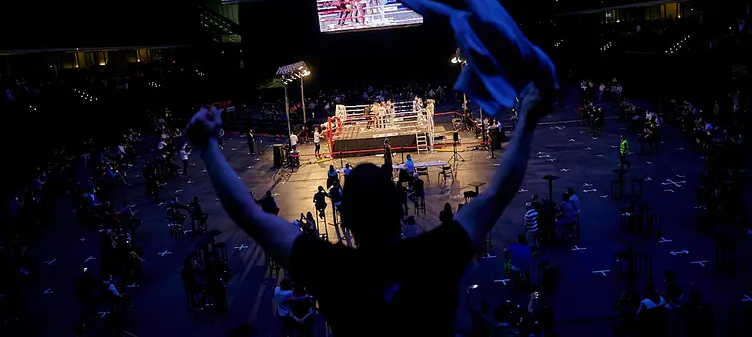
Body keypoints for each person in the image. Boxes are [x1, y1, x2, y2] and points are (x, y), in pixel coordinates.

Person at [184, 83, 547, 336]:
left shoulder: (332, 271)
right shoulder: (437, 255)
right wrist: (527, 117)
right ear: (398, 207)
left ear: (346, 220)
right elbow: (500, 193)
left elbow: (249, 215)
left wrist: (208, 147)